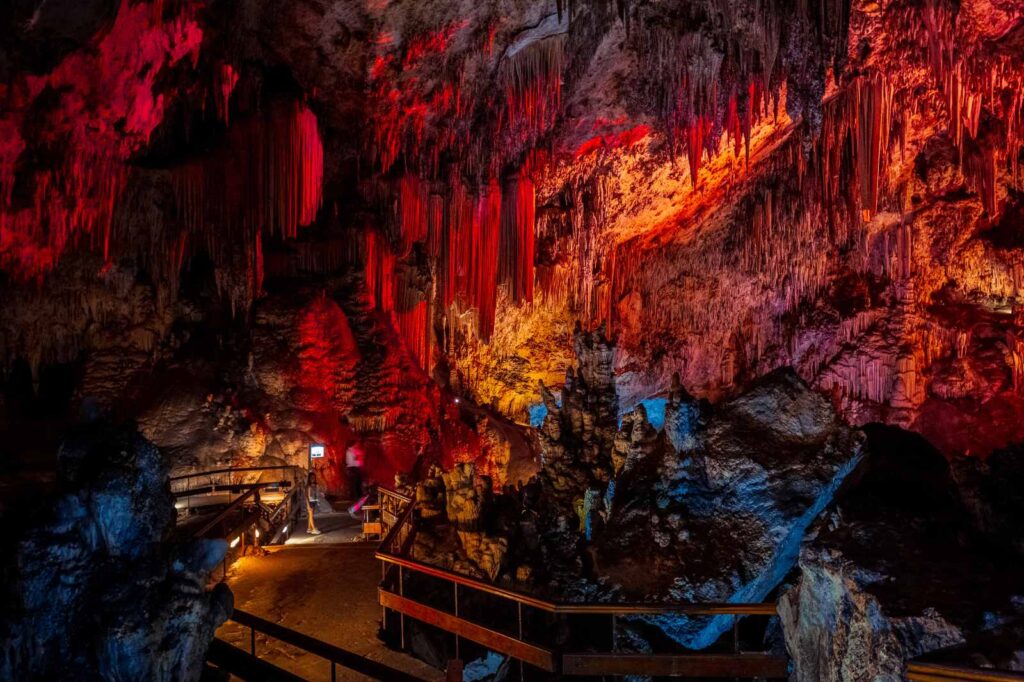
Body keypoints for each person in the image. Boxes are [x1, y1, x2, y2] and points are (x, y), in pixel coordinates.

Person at [305, 468, 321, 535]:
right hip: (310, 502)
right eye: (311, 477)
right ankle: (313, 529)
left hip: (313, 501)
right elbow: (306, 496)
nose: (313, 479)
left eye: (314, 477)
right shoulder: (308, 486)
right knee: (311, 515)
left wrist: (317, 501)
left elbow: (316, 493)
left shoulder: (314, 485)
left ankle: (309, 528)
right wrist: (308, 504)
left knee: (310, 515)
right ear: (309, 478)